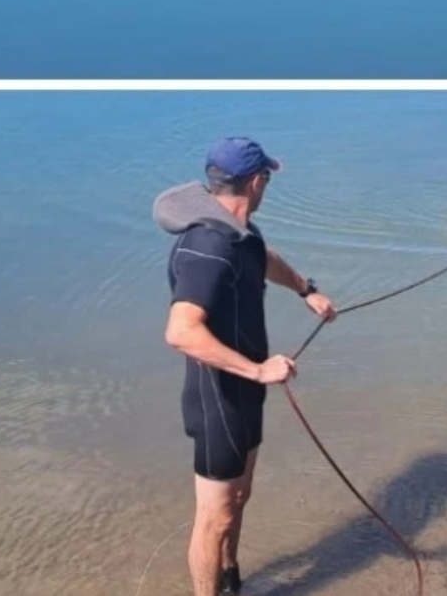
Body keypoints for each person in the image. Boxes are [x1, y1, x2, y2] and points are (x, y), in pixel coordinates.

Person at [157, 137, 338, 596]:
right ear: (257, 182)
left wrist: (305, 289)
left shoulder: (242, 233)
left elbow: (262, 259)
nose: (267, 186)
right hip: (216, 397)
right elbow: (181, 332)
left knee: (238, 499)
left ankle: (231, 577)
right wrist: (258, 371)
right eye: (268, 179)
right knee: (214, 517)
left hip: (244, 393)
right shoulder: (207, 247)